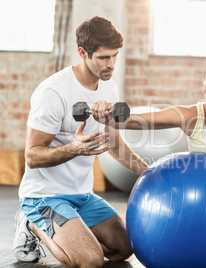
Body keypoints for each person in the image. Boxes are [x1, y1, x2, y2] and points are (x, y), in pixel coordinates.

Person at [13, 16, 148, 267]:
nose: (111, 64)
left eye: (115, 56)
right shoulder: (53, 92)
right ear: (82, 52)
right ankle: (32, 223)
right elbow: (31, 156)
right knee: (90, 259)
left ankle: (69, 225)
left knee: (123, 249)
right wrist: (74, 148)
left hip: (82, 195)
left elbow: (114, 143)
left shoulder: (109, 87)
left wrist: (148, 171)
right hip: (44, 196)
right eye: (104, 58)